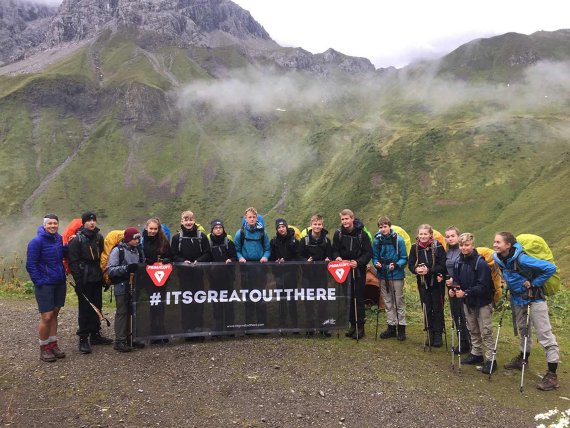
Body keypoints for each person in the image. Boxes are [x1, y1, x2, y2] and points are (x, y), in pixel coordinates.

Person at [493, 232, 560, 391]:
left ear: (508, 245)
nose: (495, 244)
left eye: (498, 242)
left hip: (535, 298)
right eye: (494, 241)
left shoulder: (522, 258)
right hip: (517, 299)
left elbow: (550, 268)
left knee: (544, 334)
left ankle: (552, 375)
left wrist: (534, 282)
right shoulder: (497, 257)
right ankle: (523, 358)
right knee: (524, 330)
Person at [448, 233, 495, 374]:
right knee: (472, 329)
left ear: (472, 245)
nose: (464, 248)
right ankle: (476, 354)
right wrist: (453, 290)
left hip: (482, 302)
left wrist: (466, 293)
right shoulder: (458, 262)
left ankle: (491, 360)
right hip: (467, 302)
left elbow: (484, 286)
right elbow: (456, 281)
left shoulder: (481, 263)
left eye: (467, 245)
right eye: (461, 245)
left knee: (485, 331)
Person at [68, 211, 113, 354]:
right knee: (85, 309)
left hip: (96, 276)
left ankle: (95, 334)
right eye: (88, 220)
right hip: (85, 277)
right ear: (83, 223)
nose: (92, 223)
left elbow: (102, 258)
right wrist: (78, 282)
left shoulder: (99, 237)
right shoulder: (76, 240)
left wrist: (104, 278)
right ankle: (83, 338)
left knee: (97, 305)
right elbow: (73, 262)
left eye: (93, 220)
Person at [26, 214, 68, 362]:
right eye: (50, 223)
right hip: (45, 284)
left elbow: (63, 254)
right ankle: (44, 347)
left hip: (59, 282)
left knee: (55, 313)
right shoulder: (36, 242)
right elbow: (31, 265)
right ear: (44, 225)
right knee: (47, 316)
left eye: (55, 223)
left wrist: (71, 243)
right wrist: (40, 281)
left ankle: (53, 344)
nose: (52, 226)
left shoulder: (59, 239)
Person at [332, 209, 372, 340]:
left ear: (352, 218)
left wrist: (358, 262)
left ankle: (360, 327)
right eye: (342, 219)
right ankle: (352, 326)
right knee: (348, 298)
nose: (344, 222)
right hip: (344, 269)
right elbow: (335, 250)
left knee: (358, 298)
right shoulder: (338, 234)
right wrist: (337, 257)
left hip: (358, 270)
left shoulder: (362, 235)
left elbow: (368, 253)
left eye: (347, 219)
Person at [171, 210, 211, 340]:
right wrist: (183, 261)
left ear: (194, 220)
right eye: (186, 220)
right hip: (184, 275)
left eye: (191, 219)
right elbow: (173, 255)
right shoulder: (176, 238)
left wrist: (198, 261)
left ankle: (198, 329)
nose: (188, 222)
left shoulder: (202, 237)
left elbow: (207, 253)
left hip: (198, 275)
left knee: (199, 302)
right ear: (182, 221)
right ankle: (187, 330)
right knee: (186, 302)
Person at [106, 227, 145, 352]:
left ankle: (131, 338)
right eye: (135, 238)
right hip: (121, 285)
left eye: (138, 238)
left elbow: (141, 264)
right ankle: (120, 341)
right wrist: (127, 268)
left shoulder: (138, 249)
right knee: (122, 312)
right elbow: (111, 270)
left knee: (133, 311)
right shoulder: (118, 251)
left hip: (135, 285)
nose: (138, 240)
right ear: (128, 238)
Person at [408, 224, 447, 348]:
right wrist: (416, 270)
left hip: (436, 282)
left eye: (425, 234)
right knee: (426, 307)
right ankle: (429, 332)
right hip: (422, 282)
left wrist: (429, 270)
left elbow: (443, 264)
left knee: (437, 307)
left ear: (431, 234)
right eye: (421, 234)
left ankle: (438, 334)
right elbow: (410, 265)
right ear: (418, 235)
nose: (423, 236)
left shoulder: (438, 246)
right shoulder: (414, 248)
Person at [234, 207, 271, 330]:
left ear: (257, 218)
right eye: (249, 217)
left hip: (260, 268)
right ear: (246, 218)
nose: (252, 219)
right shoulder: (240, 233)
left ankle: (263, 325)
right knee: (248, 297)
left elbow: (267, 249)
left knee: (261, 296)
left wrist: (265, 257)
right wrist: (240, 258)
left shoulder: (262, 233)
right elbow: (237, 250)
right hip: (245, 268)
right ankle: (249, 326)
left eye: (254, 217)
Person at [372, 216, 408, 341]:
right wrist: (376, 263)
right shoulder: (377, 241)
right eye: (381, 227)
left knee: (399, 301)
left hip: (397, 275)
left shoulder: (399, 240)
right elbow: (375, 256)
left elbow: (404, 257)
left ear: (389, 226)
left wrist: (397, 265)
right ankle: (391, 327)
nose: (383, 229)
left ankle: (401, 328)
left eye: (385, 226)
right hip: (383, 274)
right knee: (387, 301)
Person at [298, 214, 333, 336]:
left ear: (322, 225)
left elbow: (330, 255)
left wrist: (329, 259)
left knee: (322, 301)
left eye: (319, 224)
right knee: (309, 301)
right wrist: (305, 261)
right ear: (311, 225)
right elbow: (299, 256)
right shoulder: (304, 240)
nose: (317, 226)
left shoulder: (326, 241)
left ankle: (324, 327)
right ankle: (310, 327)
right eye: (315, 224)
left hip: (322, 275)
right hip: (307, 276)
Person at [141, 218, 171, 344]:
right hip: (148, 276)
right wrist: (146, 261)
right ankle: (153, 332)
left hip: (162, 275)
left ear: (158, 229)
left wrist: (164, 261)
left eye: (155, 229)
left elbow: (170, 256)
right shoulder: (142, 241)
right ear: (146, 228)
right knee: (153, 303)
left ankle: (161, 331)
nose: (153, 231)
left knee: (161, 303)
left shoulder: (164, 241)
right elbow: (140, 257)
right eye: (151, 228)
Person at [270, 218, 300, 331]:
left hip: (292, 274)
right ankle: (282, 324)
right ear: (276, 229)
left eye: (283, 226)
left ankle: (295, 325)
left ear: (286, 227)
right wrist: (276, 261)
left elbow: (298, 257)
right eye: (279, 227)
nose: (281, 229)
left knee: (292, 299)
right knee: (281, 300)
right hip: (279, 275)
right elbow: (271, 257)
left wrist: (286, 261)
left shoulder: (294, 241)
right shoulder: (273, 242)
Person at [208, 219, 237, 333]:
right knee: (217, 304)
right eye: (216, 228)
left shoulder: (228, 242)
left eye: (220, 228)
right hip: (214, 279)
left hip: (228, 278)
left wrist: (231, 259)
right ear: (212, 230)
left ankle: (230, 327)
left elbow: (234, 256)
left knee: (229, 303)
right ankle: (218, 328)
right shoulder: (208, 243)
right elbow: (206, 258)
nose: (218, 229)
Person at [444, 226, 471, 354]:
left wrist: (455, 282)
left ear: (458, 236)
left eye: (452, 236)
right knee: (456, 314)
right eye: (448, 236)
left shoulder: (463, 251)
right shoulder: (448, 252)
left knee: (464, 315)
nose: (450, 238)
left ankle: (469, 343)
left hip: (463, 287)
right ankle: (463, 342)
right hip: (451, 287)